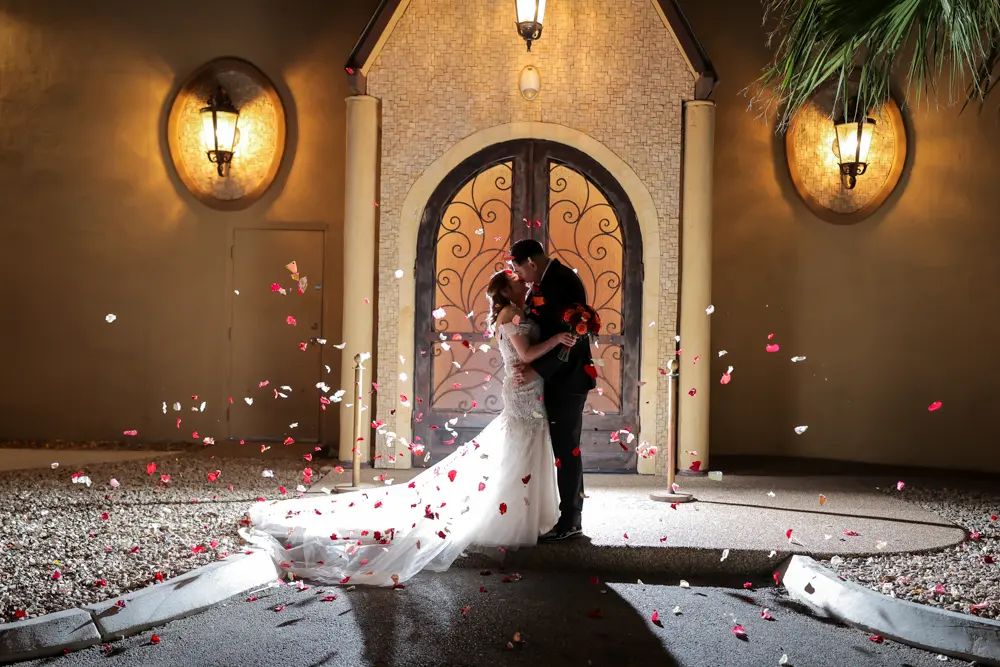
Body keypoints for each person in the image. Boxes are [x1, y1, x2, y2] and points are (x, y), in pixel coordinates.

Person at [238, 269, 576, 587]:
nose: (523, 282)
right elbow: (526, 353)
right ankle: (510, 520)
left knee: (524, 447)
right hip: (522, 389)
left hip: (531, 387)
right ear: (506, 288)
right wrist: (561, 341)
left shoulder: (520, 309)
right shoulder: (508, 315)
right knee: (520, 444)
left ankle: (525, 514)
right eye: (517, 279)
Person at [508, 238, 596, 541]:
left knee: (567, 449)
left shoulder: (563, 281)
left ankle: (571, 520)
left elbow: (573, 336)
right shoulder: (543, 283)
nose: (518, 275)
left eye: (518, 267)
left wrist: (536, 369)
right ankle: (563, 517)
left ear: (531, 262)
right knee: (560, 447)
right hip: (551, 378)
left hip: (568, 378)